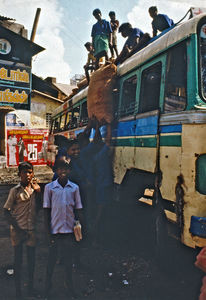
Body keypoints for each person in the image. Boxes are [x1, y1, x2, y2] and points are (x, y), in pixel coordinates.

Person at [43, 160, 83, 299]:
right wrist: (48, 233)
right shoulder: (49, 188)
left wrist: (79, 227)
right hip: (55, 231)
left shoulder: (74, 188)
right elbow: (46, 211)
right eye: (60, 169)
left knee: (67, 261)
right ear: (56, 171)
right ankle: (47, 287)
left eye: (65, 169)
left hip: (69, 232)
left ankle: (69, 286)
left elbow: (78, 209)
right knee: (51, 261)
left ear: (69, 171)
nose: (63, 171)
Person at [3, 162, 41, 300]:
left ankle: (30, 289)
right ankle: (18, 292)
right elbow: (6, 212)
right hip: (18, 231)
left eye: (30, 172)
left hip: (31, 230)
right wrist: (18, 229)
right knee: (18, 261)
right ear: (19, 174)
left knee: (31, 261)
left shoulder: (35, 189)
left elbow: (39, 208)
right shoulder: (15, 191)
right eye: (24, 172)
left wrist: (38, 192)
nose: (28, 175)